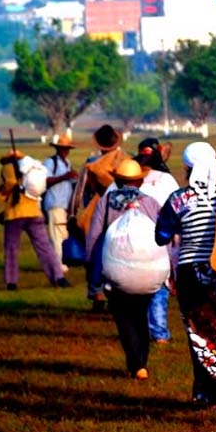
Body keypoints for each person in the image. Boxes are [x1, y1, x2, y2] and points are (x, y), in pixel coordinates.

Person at [155, 141, 216, 407]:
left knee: (198, 330)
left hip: (191, 272)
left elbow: (161, 236)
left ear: (186, 168)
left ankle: (205, 392)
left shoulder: (180, 198)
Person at [86, 159, 164, 380]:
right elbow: (162, 236)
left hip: (116, 269)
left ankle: (136, 363)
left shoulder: (107, 201)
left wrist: (92, 265)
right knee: (140, 314)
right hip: (148, 269)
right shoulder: (151, 202)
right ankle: (141, 362)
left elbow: (94, 235)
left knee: (124, 317)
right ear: (140, 181)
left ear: (118, 181)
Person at [72, 124, 129, 313]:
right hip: (120, 212)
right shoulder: (124, 161)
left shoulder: (91, 162)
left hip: (95, 214)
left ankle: (96, 292)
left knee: (95, 253)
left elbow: (79, 192)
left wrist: (73, 213)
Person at [0, 149, 69, 291]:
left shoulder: (7, 167)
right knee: (45, 248)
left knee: (12, 248)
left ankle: (11, 282)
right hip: (34, 212)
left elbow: (10, 183)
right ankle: (59, 278)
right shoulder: (31, 167)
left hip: (15, 214)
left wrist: (2, 193)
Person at [133, 137, 179, 347]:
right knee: (160, 286)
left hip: (131, 240)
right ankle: (160, 333)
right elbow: (177, 209)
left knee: (137, 287)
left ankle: (141, 330)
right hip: (159, 238)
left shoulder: (129, 178)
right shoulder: (167, 180)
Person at [42, 133, 78, 272]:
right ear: (58, 149)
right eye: (63, 148)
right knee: (56, 236)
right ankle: (57, 265)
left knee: (63, 234)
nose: (66, 151)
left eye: (67, 148)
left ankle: (60, 261)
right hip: (54, 203)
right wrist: (65, 176)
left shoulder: (67, 163)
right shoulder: (51, 162)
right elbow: (46, 180)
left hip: (64, 204)